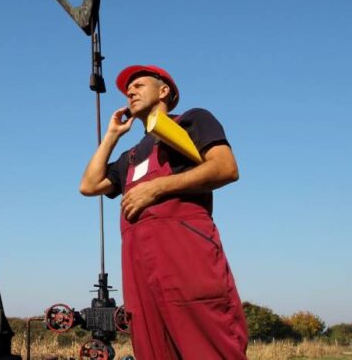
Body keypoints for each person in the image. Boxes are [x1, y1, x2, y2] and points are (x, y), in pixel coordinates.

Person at [79, 65, 248, 359]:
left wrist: (156, 188)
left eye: (139, 85)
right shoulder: (129, 156)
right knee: (152, 347)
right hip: (139, 269)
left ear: (164, 91)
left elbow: (225, 167)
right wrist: (111, 136)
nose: (130, 91)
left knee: (208, 345)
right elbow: (89, 185)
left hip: (185, 256)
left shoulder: (191, 121)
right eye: (127, 90)